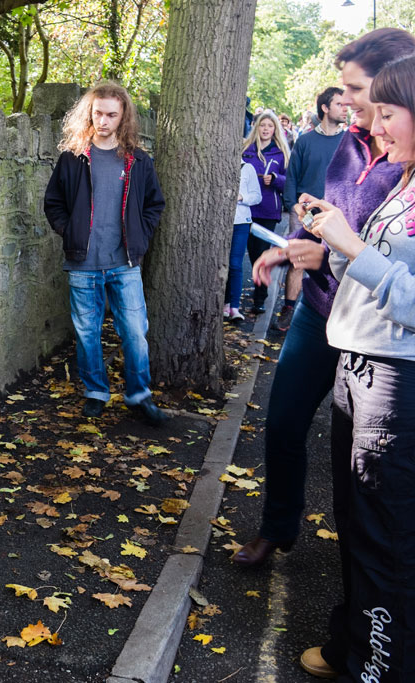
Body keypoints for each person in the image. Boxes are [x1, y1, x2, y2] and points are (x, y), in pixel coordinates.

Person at [236, 27, 415, 681]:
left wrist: (339, 246)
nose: (348, 104)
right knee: (301, 440)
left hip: (383, 352)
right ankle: (343, 620)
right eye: (343, 91)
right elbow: (336, 219)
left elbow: (387, 266)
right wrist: (302, 243)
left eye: (363, 94)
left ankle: (371, 644)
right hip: (331, 318)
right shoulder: (354, 147)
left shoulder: (402, 155)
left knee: (374, 511)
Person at [300, 52, 415, 683]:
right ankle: (355, 650)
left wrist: (352, 249)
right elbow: (372, 274)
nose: (373, 125)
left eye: (387, 112)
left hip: (395, 382)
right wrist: (325, 252)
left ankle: (377, 669)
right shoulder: (403, 178)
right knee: (356, 523)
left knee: (385, 542)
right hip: (360, 367)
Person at [43, 81, 168, 426]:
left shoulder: (138, 161)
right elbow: (52, 202)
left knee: (134, 333)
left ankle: (138, 395)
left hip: (124, 263)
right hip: (82, 264)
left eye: (111, 115)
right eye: (98, 113)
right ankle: (96, 393)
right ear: (90, 113)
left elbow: (154, 204)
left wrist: (140, 236)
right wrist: (68, 230)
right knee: (87, 334)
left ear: (123, 116)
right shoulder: (73, 157)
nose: (103, 121)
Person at [276, 87, 346, 332]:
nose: (345, 107)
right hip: (305, 212)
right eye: (339, 104)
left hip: (337, 215)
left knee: (336, 263)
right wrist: (292, 206)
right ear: (325, 108)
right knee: (298, 262)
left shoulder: (348, 142)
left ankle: (331, 315)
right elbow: (292, 177)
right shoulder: (305, 141)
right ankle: (288, 308)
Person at [242, 111, 291, 314]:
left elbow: (289, 182)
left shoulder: (281, 153)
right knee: (247, 254)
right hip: (245, 209)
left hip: (267, 210)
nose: (265, 129)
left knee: (261, 254)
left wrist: (275, 179)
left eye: (270, 126)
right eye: (262, 125)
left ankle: (260, 298)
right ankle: (233, 299)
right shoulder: (246, 149)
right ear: (257, 127)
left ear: (275, 130)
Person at [224, 161, 263, 321]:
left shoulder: (247, 168)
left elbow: (257, 196)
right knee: (220, 263)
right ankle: (224, 303)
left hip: (240, 223)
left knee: (235, 264)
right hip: (220, 222)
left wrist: (241, 197)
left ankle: (234, 307)